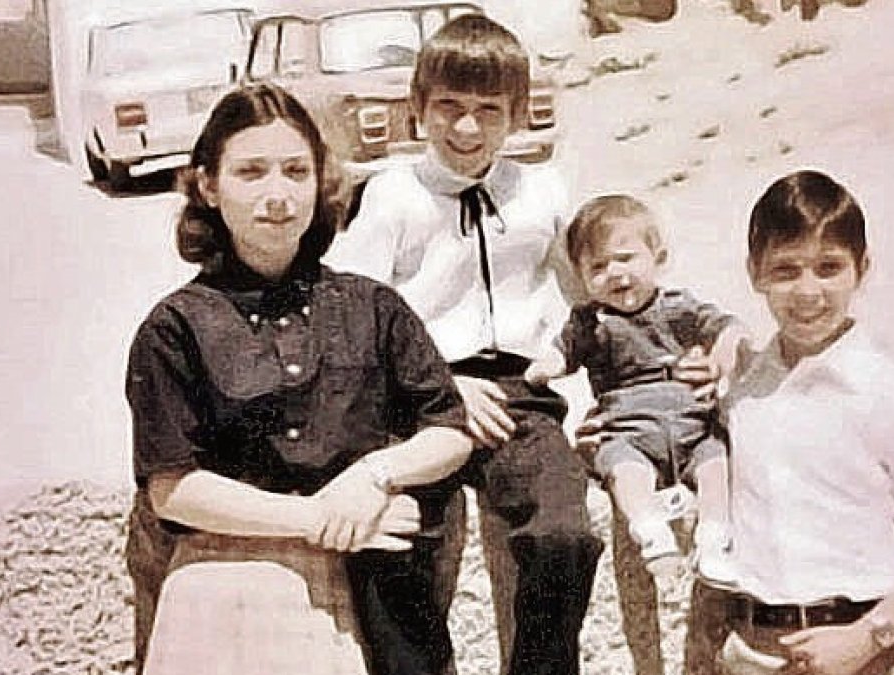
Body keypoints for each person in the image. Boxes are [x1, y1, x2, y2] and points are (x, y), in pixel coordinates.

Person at [123, 83, 473, 675]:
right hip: (229, 567)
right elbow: (172, 488)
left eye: (295, 171)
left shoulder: (372, 306)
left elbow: (449, 428)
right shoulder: (175, 326)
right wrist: (322, 521)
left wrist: (374, 475)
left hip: (376, 572)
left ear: (320, 182)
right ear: (209, 186)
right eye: (251, 172)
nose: (277, 195)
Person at [323, 13, 603, 675]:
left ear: (516, 114)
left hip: (521, 398)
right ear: (419, 108)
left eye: (488, 110)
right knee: (397, 544)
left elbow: (590, 302)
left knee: (564, 531)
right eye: (449, 107)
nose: (468, 128)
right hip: (415, 397)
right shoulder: (392, 194)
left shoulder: (542, 190)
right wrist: (440, 386)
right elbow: (353, 317)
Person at [678, 170, 894, 674]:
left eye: (828, 268)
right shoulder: (743, 393)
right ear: (755, 273)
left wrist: (869, 637)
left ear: (861, 269)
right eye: (785, 270)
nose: (807, 292)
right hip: (757, 650)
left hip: (871, 649)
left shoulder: (891, 391)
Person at [524, 194, 749, 587]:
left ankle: (714, 538)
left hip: (692, 423)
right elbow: (565, 352)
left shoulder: (678, 306)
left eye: (625, 258)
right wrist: (548, 367)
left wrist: (725, 352)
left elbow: (724, 327)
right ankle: (649, 530)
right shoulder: (590, 321)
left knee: (716, 463)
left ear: (657, 258)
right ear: (580, 277)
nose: (614, 273)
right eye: (598, 267)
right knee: (622, 467)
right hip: (628, 426)